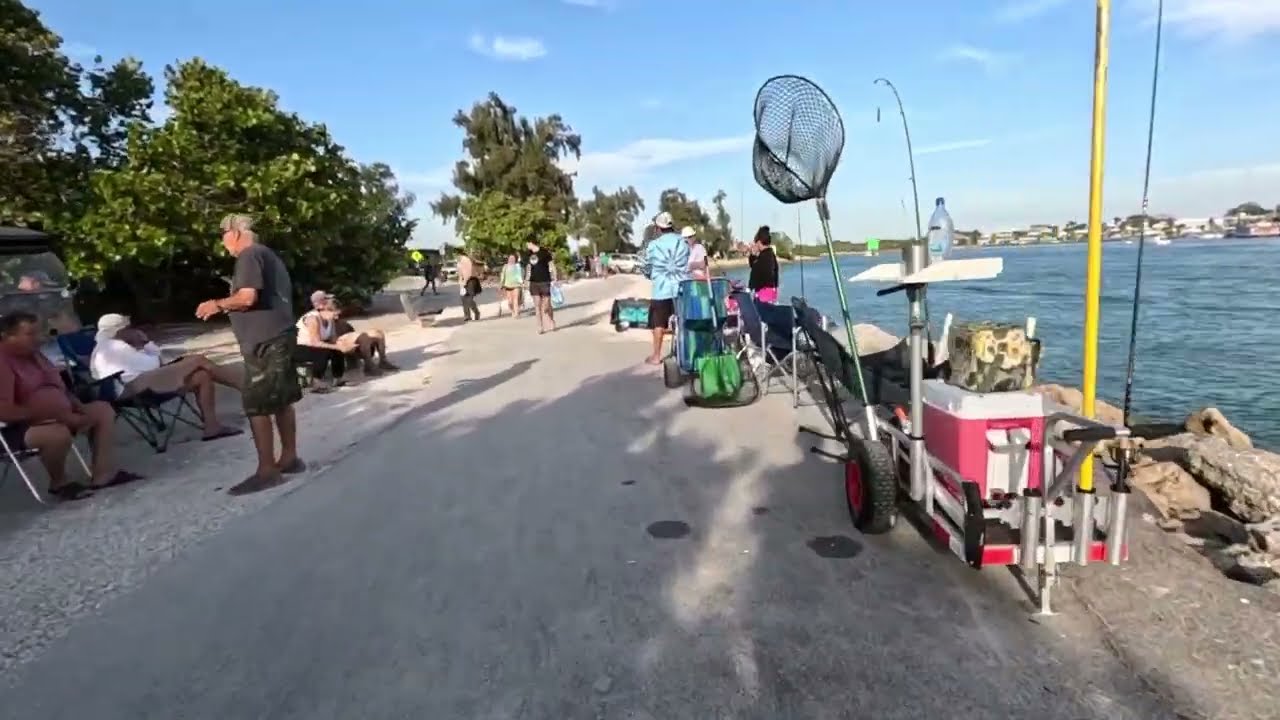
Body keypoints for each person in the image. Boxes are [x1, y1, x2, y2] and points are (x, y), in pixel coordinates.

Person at [196, 214, 305, 496]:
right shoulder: (268, 255)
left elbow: (247, 298)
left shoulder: (248, 255)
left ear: (233, 233)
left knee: (256, 403)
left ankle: (267, 470)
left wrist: (217, 304)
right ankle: (290, 457)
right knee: (281, 399)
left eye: (222, 237)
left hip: (265, 341)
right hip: (279, 334)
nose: (223, 244)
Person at [0, 311, 143, 500]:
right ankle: (59, 483)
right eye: (30, 334)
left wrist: (79, 408)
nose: (39, 339)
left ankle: (103, 474)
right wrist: (56, 415)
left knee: (102, 410)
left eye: (38, 333)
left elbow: (60, 390)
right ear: (6, 336)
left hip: (58, 415)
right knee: (56, 433)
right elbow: (5, 411)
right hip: (18, 427)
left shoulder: (35, 356)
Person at [89, 313, 244, 441]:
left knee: (201, 376)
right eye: (129, 328)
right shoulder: (116, 346)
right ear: (120, 330)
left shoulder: (103, 348)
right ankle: (247, 388)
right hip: (135, 388)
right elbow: (154, 364)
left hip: (130, 386)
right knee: (198, 360)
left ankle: (212, 427)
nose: (132, 330)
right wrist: (145, 343)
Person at [642, 212, 691, 364]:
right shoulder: (683, 242)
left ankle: (656, 356)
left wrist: (652, 276)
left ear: (658, 228)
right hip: (681, 289)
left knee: (658, 323)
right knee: (683, 322)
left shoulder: (653, 245)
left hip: (661, 291)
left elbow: (647, 267)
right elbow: (687, 262)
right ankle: (686, 353)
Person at [293, 290, 354, 390]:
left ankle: (338, 378)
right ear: (325, 310)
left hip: (314, 346)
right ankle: (316, 382)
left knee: (336, 349)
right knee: (322, 350)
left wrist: (343, 345)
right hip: (300, 347)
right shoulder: (313, 319)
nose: (337, 317)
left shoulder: (331, 321)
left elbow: (333, 338)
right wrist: (336, 346)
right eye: (334, 314)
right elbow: (315, 342)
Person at [525, 240, 558, 334]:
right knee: (537, 306)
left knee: (546, 305)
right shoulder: (529, 254)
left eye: (528, 243)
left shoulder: (544, 253)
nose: (527, 245)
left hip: (545, 280)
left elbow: (551, 265)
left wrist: (555, 277)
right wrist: (526, 281)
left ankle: (551, 321)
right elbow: (528, 268)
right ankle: (540, 327)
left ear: (532, 243)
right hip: (534, 282)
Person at [748, 225, 780, 304]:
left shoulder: (763, 258)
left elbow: (754, 271)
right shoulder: (771, 255)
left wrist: (752, 255)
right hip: (771, 294)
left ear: (759, 242)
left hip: (763, 296)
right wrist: (753, 255)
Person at [456, 252, 481, 321]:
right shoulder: (459, 263)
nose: (457, 257)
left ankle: (477, 312)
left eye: (457, 254)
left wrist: (465, 282)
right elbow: (460, 273)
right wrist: (460, 282)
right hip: (464, 281)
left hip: (471, 281)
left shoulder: (467, 260)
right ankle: (467, 316)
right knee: (463, 299)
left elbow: (469, 273)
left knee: (469, 299)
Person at [498, 254, 524, 319]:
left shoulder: (518, 266)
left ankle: (516, 313)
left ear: (515, 259)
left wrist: (522, 283)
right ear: (508, 259)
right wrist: (501, 284)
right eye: (510, 258)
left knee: (516, 299)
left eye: (513, 258)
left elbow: (521, 275)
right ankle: (512, 311)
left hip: (516, 285)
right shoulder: (505, 266)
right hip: (507, 285)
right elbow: (503, 275)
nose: (511, 259)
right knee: (510, 301)